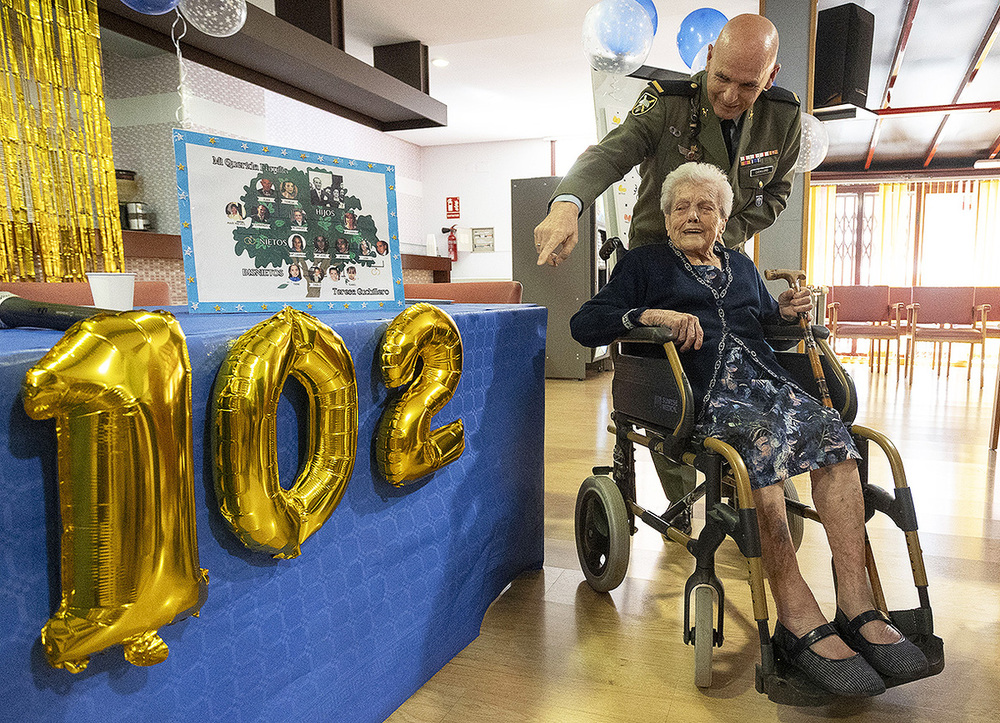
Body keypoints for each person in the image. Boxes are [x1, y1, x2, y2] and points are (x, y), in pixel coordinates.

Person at [570, 162, 927, 698]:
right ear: (665, 219)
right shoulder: (644, 265)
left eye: (706, 206)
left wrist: (785, 310)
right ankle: (795, 610)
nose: (693, 215)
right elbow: (585, 323)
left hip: (770, 387)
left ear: (723, 217)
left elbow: (764, 322)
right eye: (681, 207)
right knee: (758, 444)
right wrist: (652, 315)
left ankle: (858, 604)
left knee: (836, 437)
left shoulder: (740, 265)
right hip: (700, 397)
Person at [534, 13, 801, 266]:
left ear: (771, 77)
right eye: (722, 77)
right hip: (655, 259)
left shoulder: (782, 117)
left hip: (722, 259)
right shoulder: (669, 104)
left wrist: (723, 235)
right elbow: (610, 155)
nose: (730, 96)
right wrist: (566, 206)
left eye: (748, 86)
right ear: (709, 58)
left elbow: (776, 194)